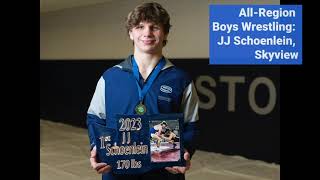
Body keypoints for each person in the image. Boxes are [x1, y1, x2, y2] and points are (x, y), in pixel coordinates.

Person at [86, 2, 199, 180]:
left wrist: (185, 151)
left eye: (154, 27)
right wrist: (96, 147)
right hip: (117, 170)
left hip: (164, 172)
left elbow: (191, 124)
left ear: (165, 33)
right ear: (130, 33)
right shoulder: (110, 77)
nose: (147, 33)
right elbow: (95, 118)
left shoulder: (180, 79)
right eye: (140, 27)